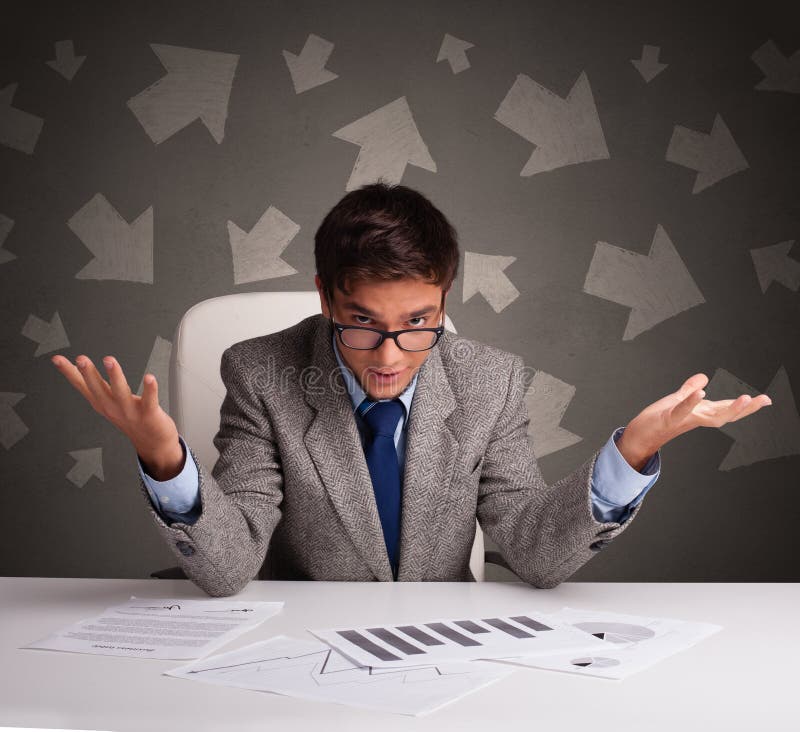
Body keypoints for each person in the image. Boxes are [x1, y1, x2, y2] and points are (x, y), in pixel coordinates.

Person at [51, 182, 772, 596]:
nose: (390, 356)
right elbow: (231, 563)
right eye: (363, 322)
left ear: (444, 299)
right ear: (327, 298)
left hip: (445, 651)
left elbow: (537, 551)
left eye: (419, 322)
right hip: (298, 651)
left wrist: (633, 451)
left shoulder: (489, 380)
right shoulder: (261, 372)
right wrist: (163, 456)